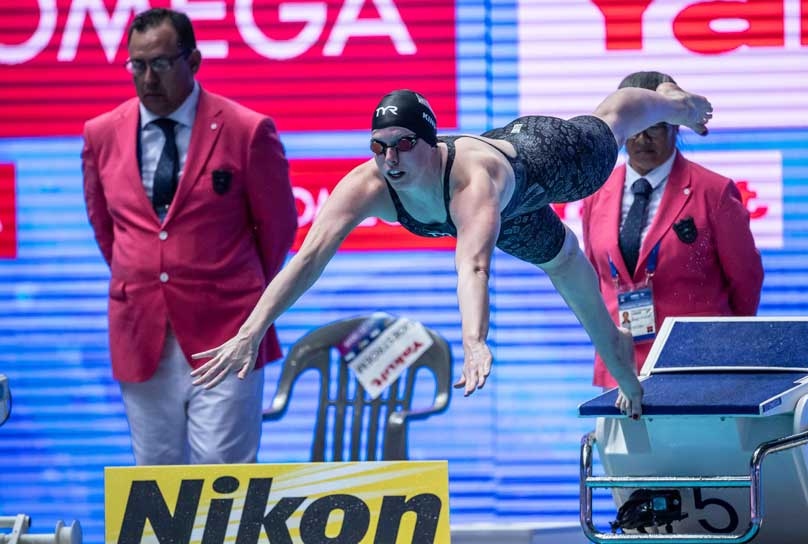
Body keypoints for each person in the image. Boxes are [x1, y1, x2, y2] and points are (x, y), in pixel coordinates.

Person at [191, 84, 714, 419]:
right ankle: (618, 353)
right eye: (379, 145)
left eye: (401, 144)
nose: (389, 158)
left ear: (430, 140)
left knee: (608, 126)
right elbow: (306, 261)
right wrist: (250, 330)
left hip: (539, 160)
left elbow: (474, 265)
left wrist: (473, 341)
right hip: (513, 218)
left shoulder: (470, 181)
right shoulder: (367, 186)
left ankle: (673, 101)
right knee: (563, 262)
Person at [81, 8, 297, 465]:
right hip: (140, 329)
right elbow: (108, 230)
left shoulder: (246, 129)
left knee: (224, 475)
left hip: (227, 329)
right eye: (136, 65)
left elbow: (277, 229)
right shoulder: (100, 134)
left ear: (193, 60)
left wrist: (237, 290)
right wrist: (146, 274)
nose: (147, 78)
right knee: (154, 477)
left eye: (160, 63)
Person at [582, 71, 763, 390]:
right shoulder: (596, 193)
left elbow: (745, 280)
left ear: (675, 123)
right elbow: (597, 281)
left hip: (700, 369)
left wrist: (724, 345)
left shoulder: (714, 192)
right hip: (620, 372)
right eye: (634, 127)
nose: (642, 139)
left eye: (654, 125)